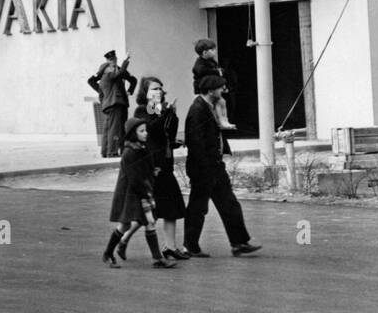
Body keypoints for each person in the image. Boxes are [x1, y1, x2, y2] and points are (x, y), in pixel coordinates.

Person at [183, 75, 261, 258]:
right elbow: (195, 142)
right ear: (210, 91)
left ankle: (239, 243)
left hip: (215, 166)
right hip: (204, 168)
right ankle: (190, 245)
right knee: (198, 208)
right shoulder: (197, 110)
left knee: (229, 204)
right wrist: (205, 167)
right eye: (220, 88)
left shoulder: (209, 107)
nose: (223, 90)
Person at [125, 76, 189, 261]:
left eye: (160, 88)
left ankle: (170, 247)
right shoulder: (143, 109)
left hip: (165, 164)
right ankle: (122, 239)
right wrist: (165, 113)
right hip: (152, 166)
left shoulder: (160, 109)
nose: (158, 92)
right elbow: (151, 128)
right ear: (145, 93)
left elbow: (168, 133)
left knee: (172, 208)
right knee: (146, 213)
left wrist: (173, 114)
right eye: (154, 89)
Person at [102, 118, 176, 269]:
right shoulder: (130, 152)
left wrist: (152, 172)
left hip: (138, 192)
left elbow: (145, 169)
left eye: (145, 130)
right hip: (131, 194)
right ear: (132, 134)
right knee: (124, 225)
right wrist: (146, 194)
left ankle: (156, 259)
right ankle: (108, 253)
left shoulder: (140, 148)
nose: (145, 133)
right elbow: (135, 178)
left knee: (148, 222)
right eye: (141, 131)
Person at [97, 50, 137, 158]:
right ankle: (112, 152)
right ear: (106, 69)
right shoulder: (110, 75)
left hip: (110, 105)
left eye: (114, 60)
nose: (112, 65)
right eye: (110, 63)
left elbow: (100, 95)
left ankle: (105, 152)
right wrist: (126, 60)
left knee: (108, 129)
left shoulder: (102, 80)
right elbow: (119, 73)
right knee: (115, 128)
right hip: (116, 104)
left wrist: (105, 103)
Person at [192, 38, 236, 133]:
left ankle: (224, 120)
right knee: (218, 102)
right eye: (212, 50)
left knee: (222, 101)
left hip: (212, 87)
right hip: (204, 88)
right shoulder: (200, 64)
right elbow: (200, 71)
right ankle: (221, 121)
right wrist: (216, 72)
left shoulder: (212, 61)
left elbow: (219, 71)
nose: (215, 51)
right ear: (204, 52)